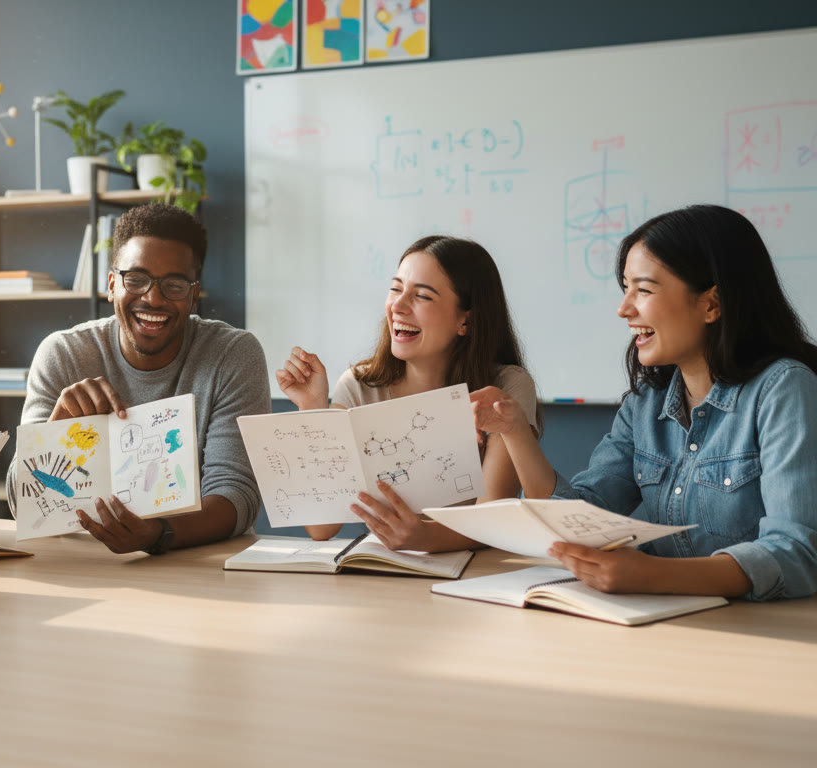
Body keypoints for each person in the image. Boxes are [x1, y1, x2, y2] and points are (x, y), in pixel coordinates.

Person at [473, 204, 817, 600]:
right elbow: (581, 514)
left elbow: (797, 552)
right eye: (625, 289)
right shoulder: (646, 403)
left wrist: (654, 574)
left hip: (761, 633)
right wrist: (515, 430)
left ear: (711, 304)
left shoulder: (784, 389)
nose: (624, 309)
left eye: (644, 290)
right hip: (666, 622)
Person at [12, 202, 269, 555]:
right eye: (136, 279)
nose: (153, 298)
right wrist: (54, 436)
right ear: (112, 285)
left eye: (175, 285)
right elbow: (20, 502)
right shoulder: (64, 355)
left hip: (198, 561)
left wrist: (160, 534)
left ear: (194, 294)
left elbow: (236, 494)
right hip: (82, 560)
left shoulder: (232, 355)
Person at [277, 236, 540, 549]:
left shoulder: (506, 387)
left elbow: (491, 519)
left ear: (465, 320)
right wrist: (312, 407)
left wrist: (424, 537)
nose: (398, 306)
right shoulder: (359, 385)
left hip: (473, 577)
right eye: (396, 288)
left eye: (423, 296)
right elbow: (321, 527)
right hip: (386, 574)